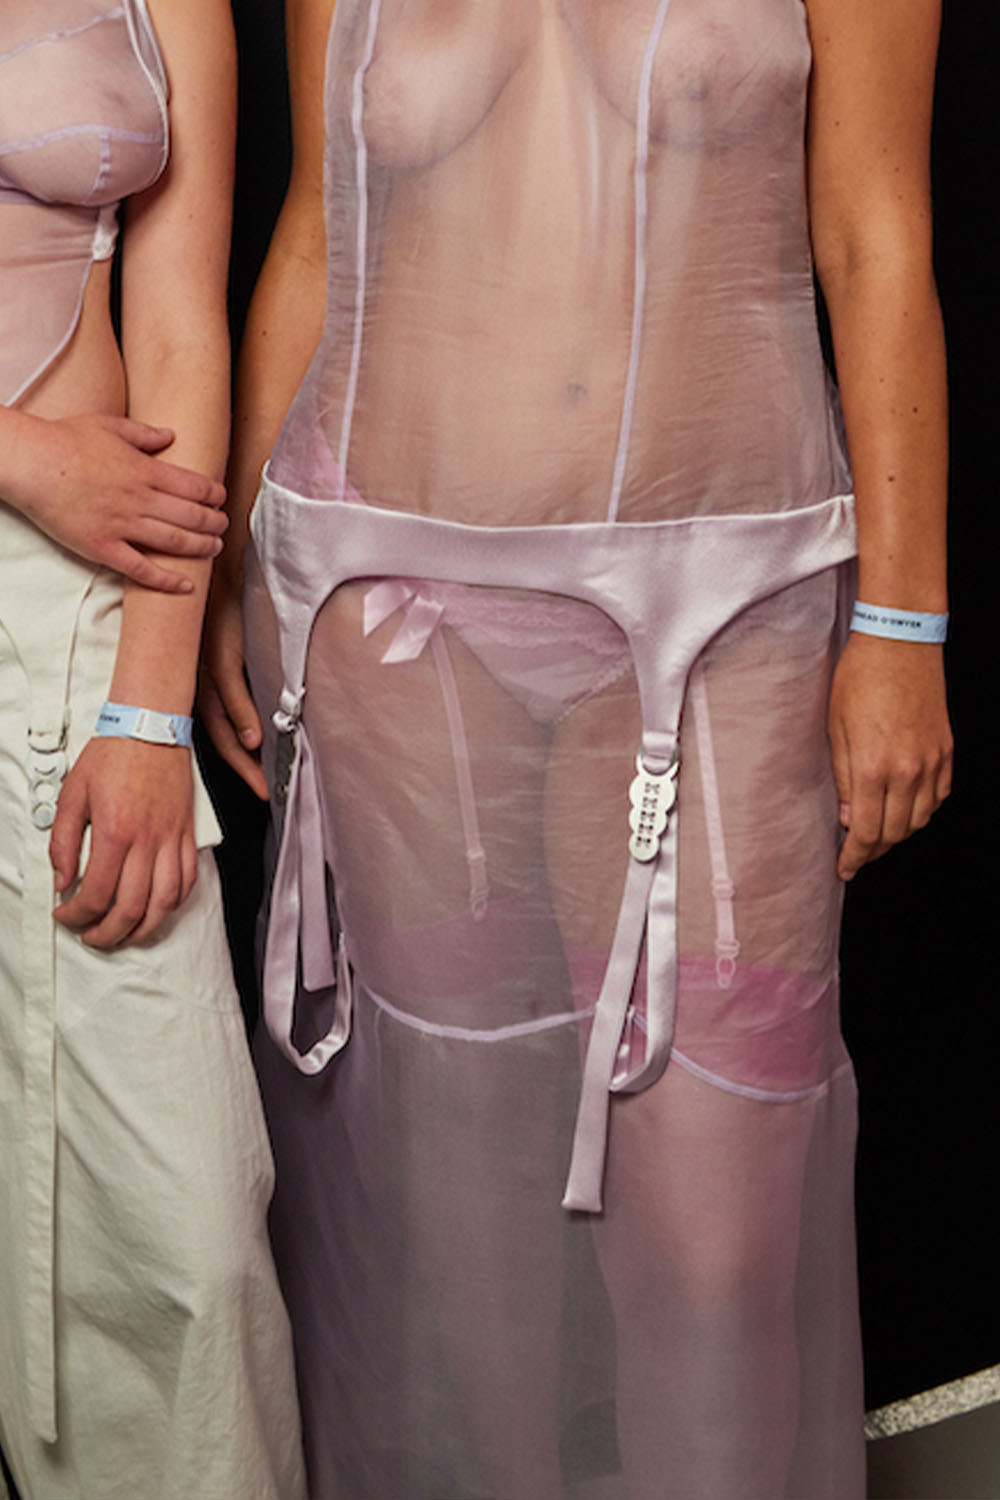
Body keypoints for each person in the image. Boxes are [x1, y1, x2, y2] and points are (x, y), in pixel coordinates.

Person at [203, 0, 952, 1495]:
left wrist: (905, 624)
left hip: (719, 609)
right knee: (459, 1171)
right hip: (389, 602)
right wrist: (236, 572)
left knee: (717, 1227)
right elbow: (314, 236)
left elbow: (875, 234)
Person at [0, 3, 305, 1496]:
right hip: (44, 489)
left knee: (187, 1244)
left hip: (79, 613)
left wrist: (145, 712)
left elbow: (184, 328)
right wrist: (12, 453)